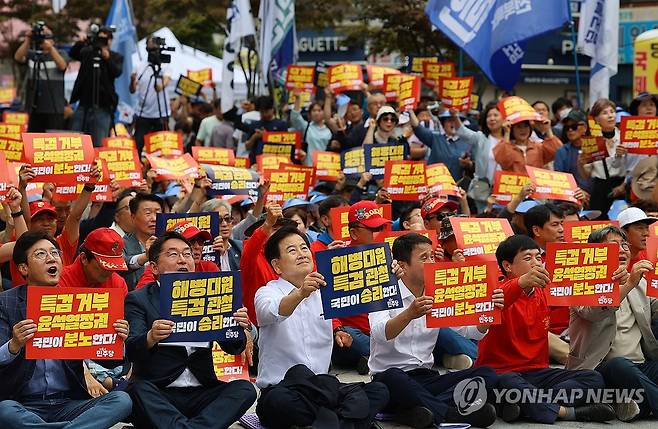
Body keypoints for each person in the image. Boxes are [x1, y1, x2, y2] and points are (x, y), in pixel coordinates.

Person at [254, 226, 389, 428]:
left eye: (304, 248)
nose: (301, 254)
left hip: (324, 389)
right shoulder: (266, 293)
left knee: (380, 390)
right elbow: (273, 311)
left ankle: (327, 423)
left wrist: (393, 273)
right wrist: (300, 293)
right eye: (292, 251)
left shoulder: (328, 291)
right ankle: (348, 422)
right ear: (277, 265)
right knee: (277, 403)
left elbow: (371, 287)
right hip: (284, 389)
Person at [476, 234, 616, 423]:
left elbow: (587, 287)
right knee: (509, 383)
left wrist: (617, 279)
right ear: (507, 266)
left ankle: (524, 405)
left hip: (538, 373)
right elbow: (500, 299)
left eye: (538, 257)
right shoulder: (495, 291)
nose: (536, 263)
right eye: (527, 258)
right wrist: (521, 282)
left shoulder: (543, 290)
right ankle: (568, 413)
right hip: (502, 373)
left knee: (593, 378)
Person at [0, 231, 133, 428]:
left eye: (54, 252)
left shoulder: (78, 302)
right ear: (23, 268)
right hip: (23, 403)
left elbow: (107, 360)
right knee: (4, 410)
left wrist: (117, 339)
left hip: (69, 402)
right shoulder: (6, 302)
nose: (51, 258)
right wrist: (14, 344)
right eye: (41, 254)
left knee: (121, 401)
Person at [125, 231, 257, 429]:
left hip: (203, 390)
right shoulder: (139, 299)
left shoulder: (212, 294)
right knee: (135, 389)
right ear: (154, 267)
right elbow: (132, 349)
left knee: (245, 389)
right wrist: (151, 337)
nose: (183, 260)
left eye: (187, 254)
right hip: (160, 391)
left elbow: (234, 348)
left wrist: (237, 326)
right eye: (173, 254)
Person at [370, 233, 500, 428]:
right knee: (394, 378)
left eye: (432, 256)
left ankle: (412, 412)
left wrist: (490, 312)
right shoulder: (384, 290)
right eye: (424, 258)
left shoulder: (438, 291)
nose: (431, 262)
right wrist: (410, 313)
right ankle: (451, 414)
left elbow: (470, 332)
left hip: (426, 377)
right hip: (390, 379)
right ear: (403, 265)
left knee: (487, 374)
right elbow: (381, 334)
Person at [568, 225, 658, 421]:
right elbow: (594, 314)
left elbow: (656, 310)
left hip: (641, 365)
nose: (622, 250)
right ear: (595, 252)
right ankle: (637, 402)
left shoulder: (640, 282)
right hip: (600, 368)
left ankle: (631, 404)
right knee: (619, 365)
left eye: (624, 245)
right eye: (613, 245)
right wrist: (627, 285)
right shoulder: (581, 284)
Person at [332, 200, 392, 374]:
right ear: (353, 232)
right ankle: (389, 357)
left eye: (380, 228)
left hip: (385, 329)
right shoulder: (337, 260)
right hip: (354, 334)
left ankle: (375, 358)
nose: (378, 234)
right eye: (373, 230)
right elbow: (325, 305)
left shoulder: (390, 257)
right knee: (347, 338)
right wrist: (337, 328)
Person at [523, 204, 570, 365]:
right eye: (555, 225)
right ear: (536, 230)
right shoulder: (522, 260)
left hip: (576, 329)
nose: (562, 229)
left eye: (562, 224)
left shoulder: (573, 254)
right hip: (545, 333)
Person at [69, 25, 123, 146]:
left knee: (98, 143)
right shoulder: (88, 52)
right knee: (76, 141)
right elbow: (73, 54)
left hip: (103, 106)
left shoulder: (115, 56)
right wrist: (82, 42)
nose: (101, 42)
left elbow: (117, 72)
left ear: (110, 41)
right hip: (83, 104)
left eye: (105, 39)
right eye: (99, 39)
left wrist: (107, 58)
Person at [579, 98, 634, 217]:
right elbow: (586, 175)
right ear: (596, 120)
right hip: (600, 188)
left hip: (622, 185)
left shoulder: (625, 137)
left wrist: (623, 186)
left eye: (612, 111)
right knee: (599, 224)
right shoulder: (592, 142)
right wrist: (580, 163)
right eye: (604, 113)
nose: (610, 116)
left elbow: (633, 166)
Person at [135, 220, 220, 289]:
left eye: (201, 241)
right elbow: (143, 299)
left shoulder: (209, 267)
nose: (197, 246)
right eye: (191, 241)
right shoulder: (158, 268)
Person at [13, 24, 68, 132]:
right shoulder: (33, 55)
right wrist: (28, 40)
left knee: (52, 139)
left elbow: (62, 66)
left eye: (47, 38)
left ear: (52, 41)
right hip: (34, 107)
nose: (43, 41)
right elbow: (18, 57)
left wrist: (51, 49)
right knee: (33, 140)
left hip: (54, 108)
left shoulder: (60, 53)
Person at [455, 102, 505, 212]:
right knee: (483, 217)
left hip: (504, 188)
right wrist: (455, 116)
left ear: (504, 118)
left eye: (495, 115)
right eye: (489, 116)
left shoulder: (510, 140)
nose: (492, 118)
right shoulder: (481, 137)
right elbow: (463, 132)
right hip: (482, 187)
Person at [130, 35, 172, 155]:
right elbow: (132, 90)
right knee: (138, 144)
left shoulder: (165, 65)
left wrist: (160, 85)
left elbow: (165, 82)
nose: (153, 52)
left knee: (161, 148)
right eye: (150, 49)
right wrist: (132, 81)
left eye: (155, 48)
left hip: (161, 113)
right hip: (143, 113)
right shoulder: (140, 66)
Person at [58, 227, 129, 297]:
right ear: (84, 258)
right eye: (105, 266)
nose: (110, 271)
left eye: (114, 265)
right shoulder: (60, 281)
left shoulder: (118, 285)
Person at [411, 109, 472, 182]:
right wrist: (410, 110)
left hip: (457, 187)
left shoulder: (468, 143)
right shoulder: (435, 138)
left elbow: (474, 168)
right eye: (450, 121)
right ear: (443, 124)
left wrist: (468, 164)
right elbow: (417, 127)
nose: (453, 124)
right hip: (435, 186)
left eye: (455, 120)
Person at [121, 192, 164, 291]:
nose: (154, 219)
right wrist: (145, 257)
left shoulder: (169, 242)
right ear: (133, 217)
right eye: (148, 213)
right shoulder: (122, 244)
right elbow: (121, 267)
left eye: (158, 213)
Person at [493, 118, 562, 173]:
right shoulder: (508, 147)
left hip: (535, 187)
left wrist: (548, 130)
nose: (523, 130)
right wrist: (507, 133)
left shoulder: (538, 147)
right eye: (518, 127)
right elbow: (502, 160)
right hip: (514, 187)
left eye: (526, 126)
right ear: (512, 129)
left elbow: (558, 152)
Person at [554, 110, 593, 193]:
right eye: (567, 128)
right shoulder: (561, 152)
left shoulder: (595, 148)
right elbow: (559, 180)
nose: (570, 130)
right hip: (571, 197)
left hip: (595, 196)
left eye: (574, 126)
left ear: (585, 127)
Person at [290, 90, 331, 166]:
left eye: (319, 110)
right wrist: (298, 99)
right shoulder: (306, 127)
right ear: (310, 114)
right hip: (308, 166)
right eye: (314, 110)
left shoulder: (329, 130)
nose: (316, 113)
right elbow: (295, 118)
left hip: (325, 168)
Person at [245, 96, 289, 165]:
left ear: (272, 109)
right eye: (262, 112)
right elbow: (247, 146)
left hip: (274, 162)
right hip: (255, 162)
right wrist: (254, 137)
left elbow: (286, 148)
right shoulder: (255, 124)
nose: (264, 114)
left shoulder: (281, 125)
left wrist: (267, 136)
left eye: (266, 111)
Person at [619, 206, 657, 271]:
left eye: (647, 228)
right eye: (640, 228)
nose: (646, 234)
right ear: (623, 232)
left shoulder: (652, 256)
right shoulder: (613, 261)